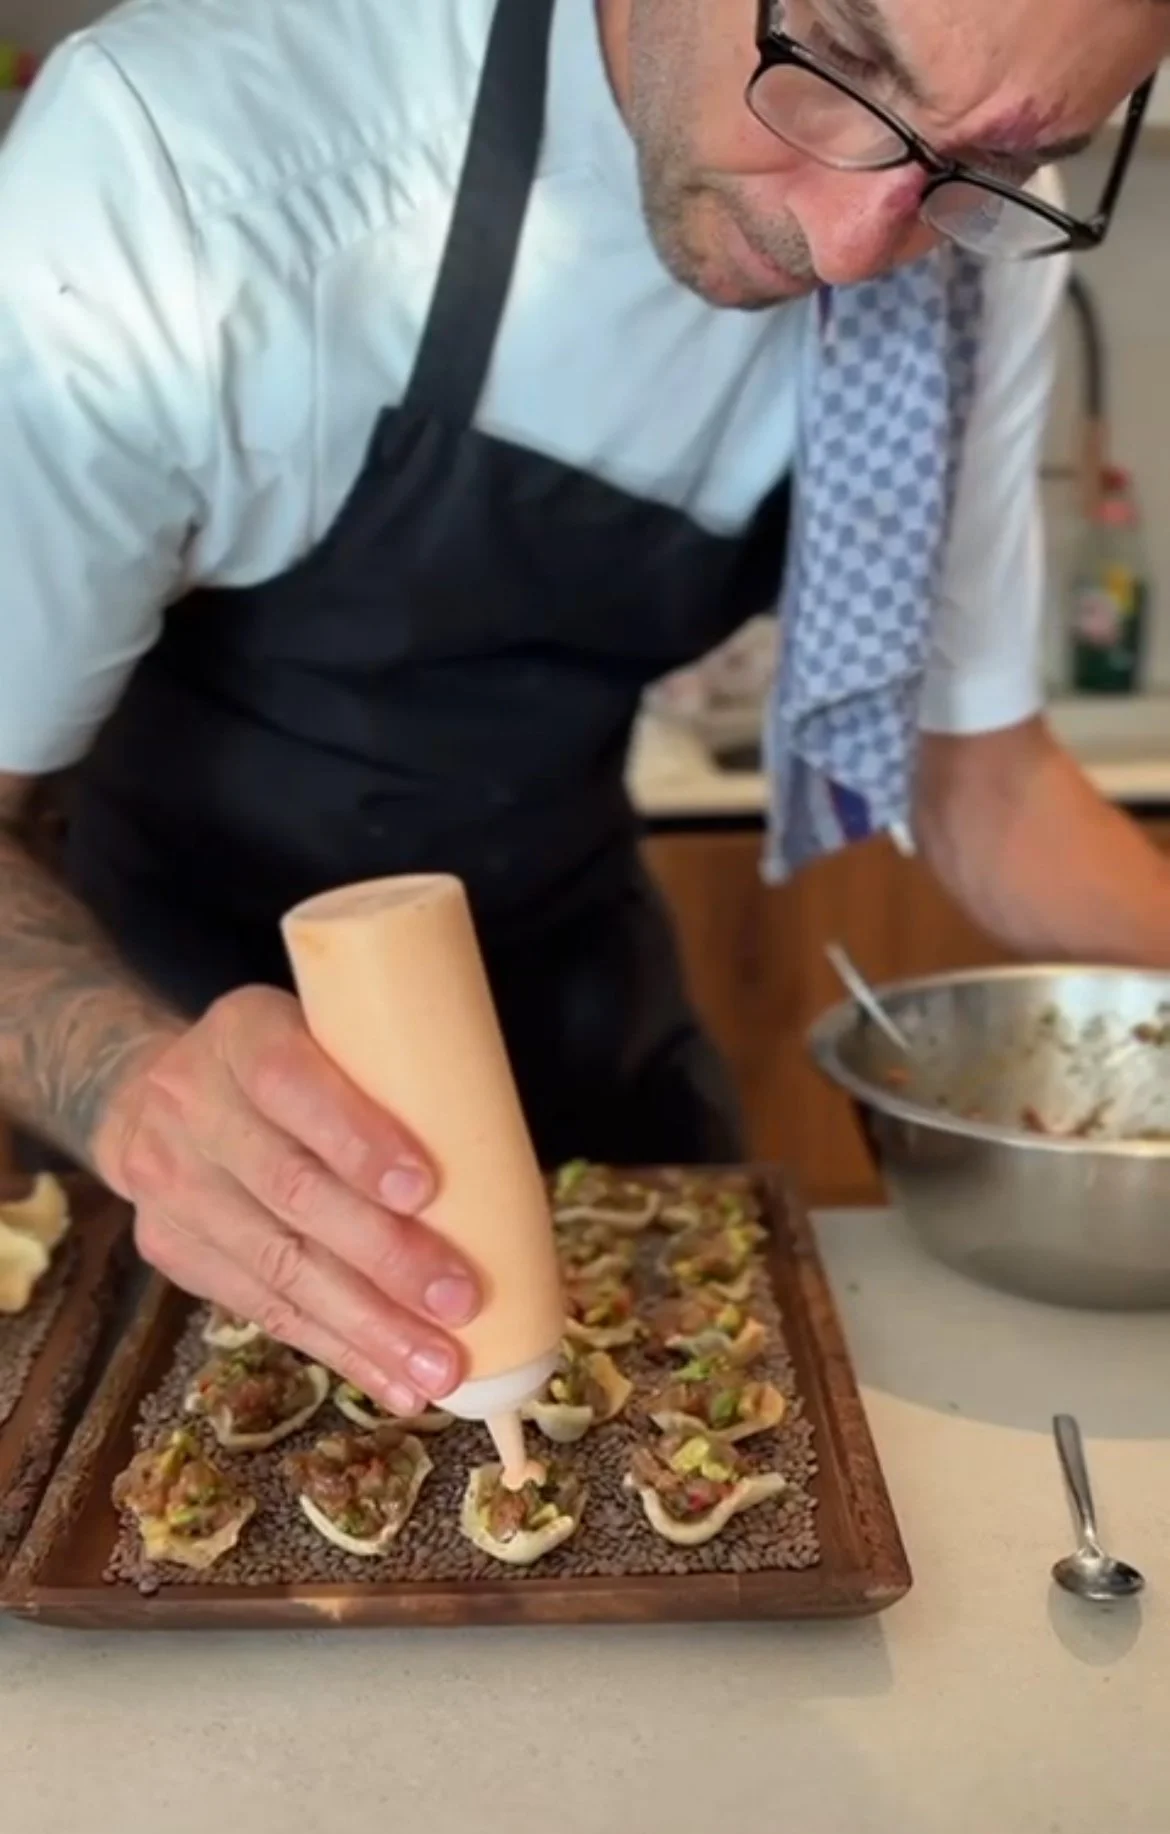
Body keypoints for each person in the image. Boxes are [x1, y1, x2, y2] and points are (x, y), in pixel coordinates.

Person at [0, 0, 1167, 1418]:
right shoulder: (190, 170)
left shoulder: (967, 236)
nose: (857, 246)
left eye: (1005, 158)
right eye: (844, 64)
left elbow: (977, 784)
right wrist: (128, 1082)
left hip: (587, 1034)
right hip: (183, 1092)